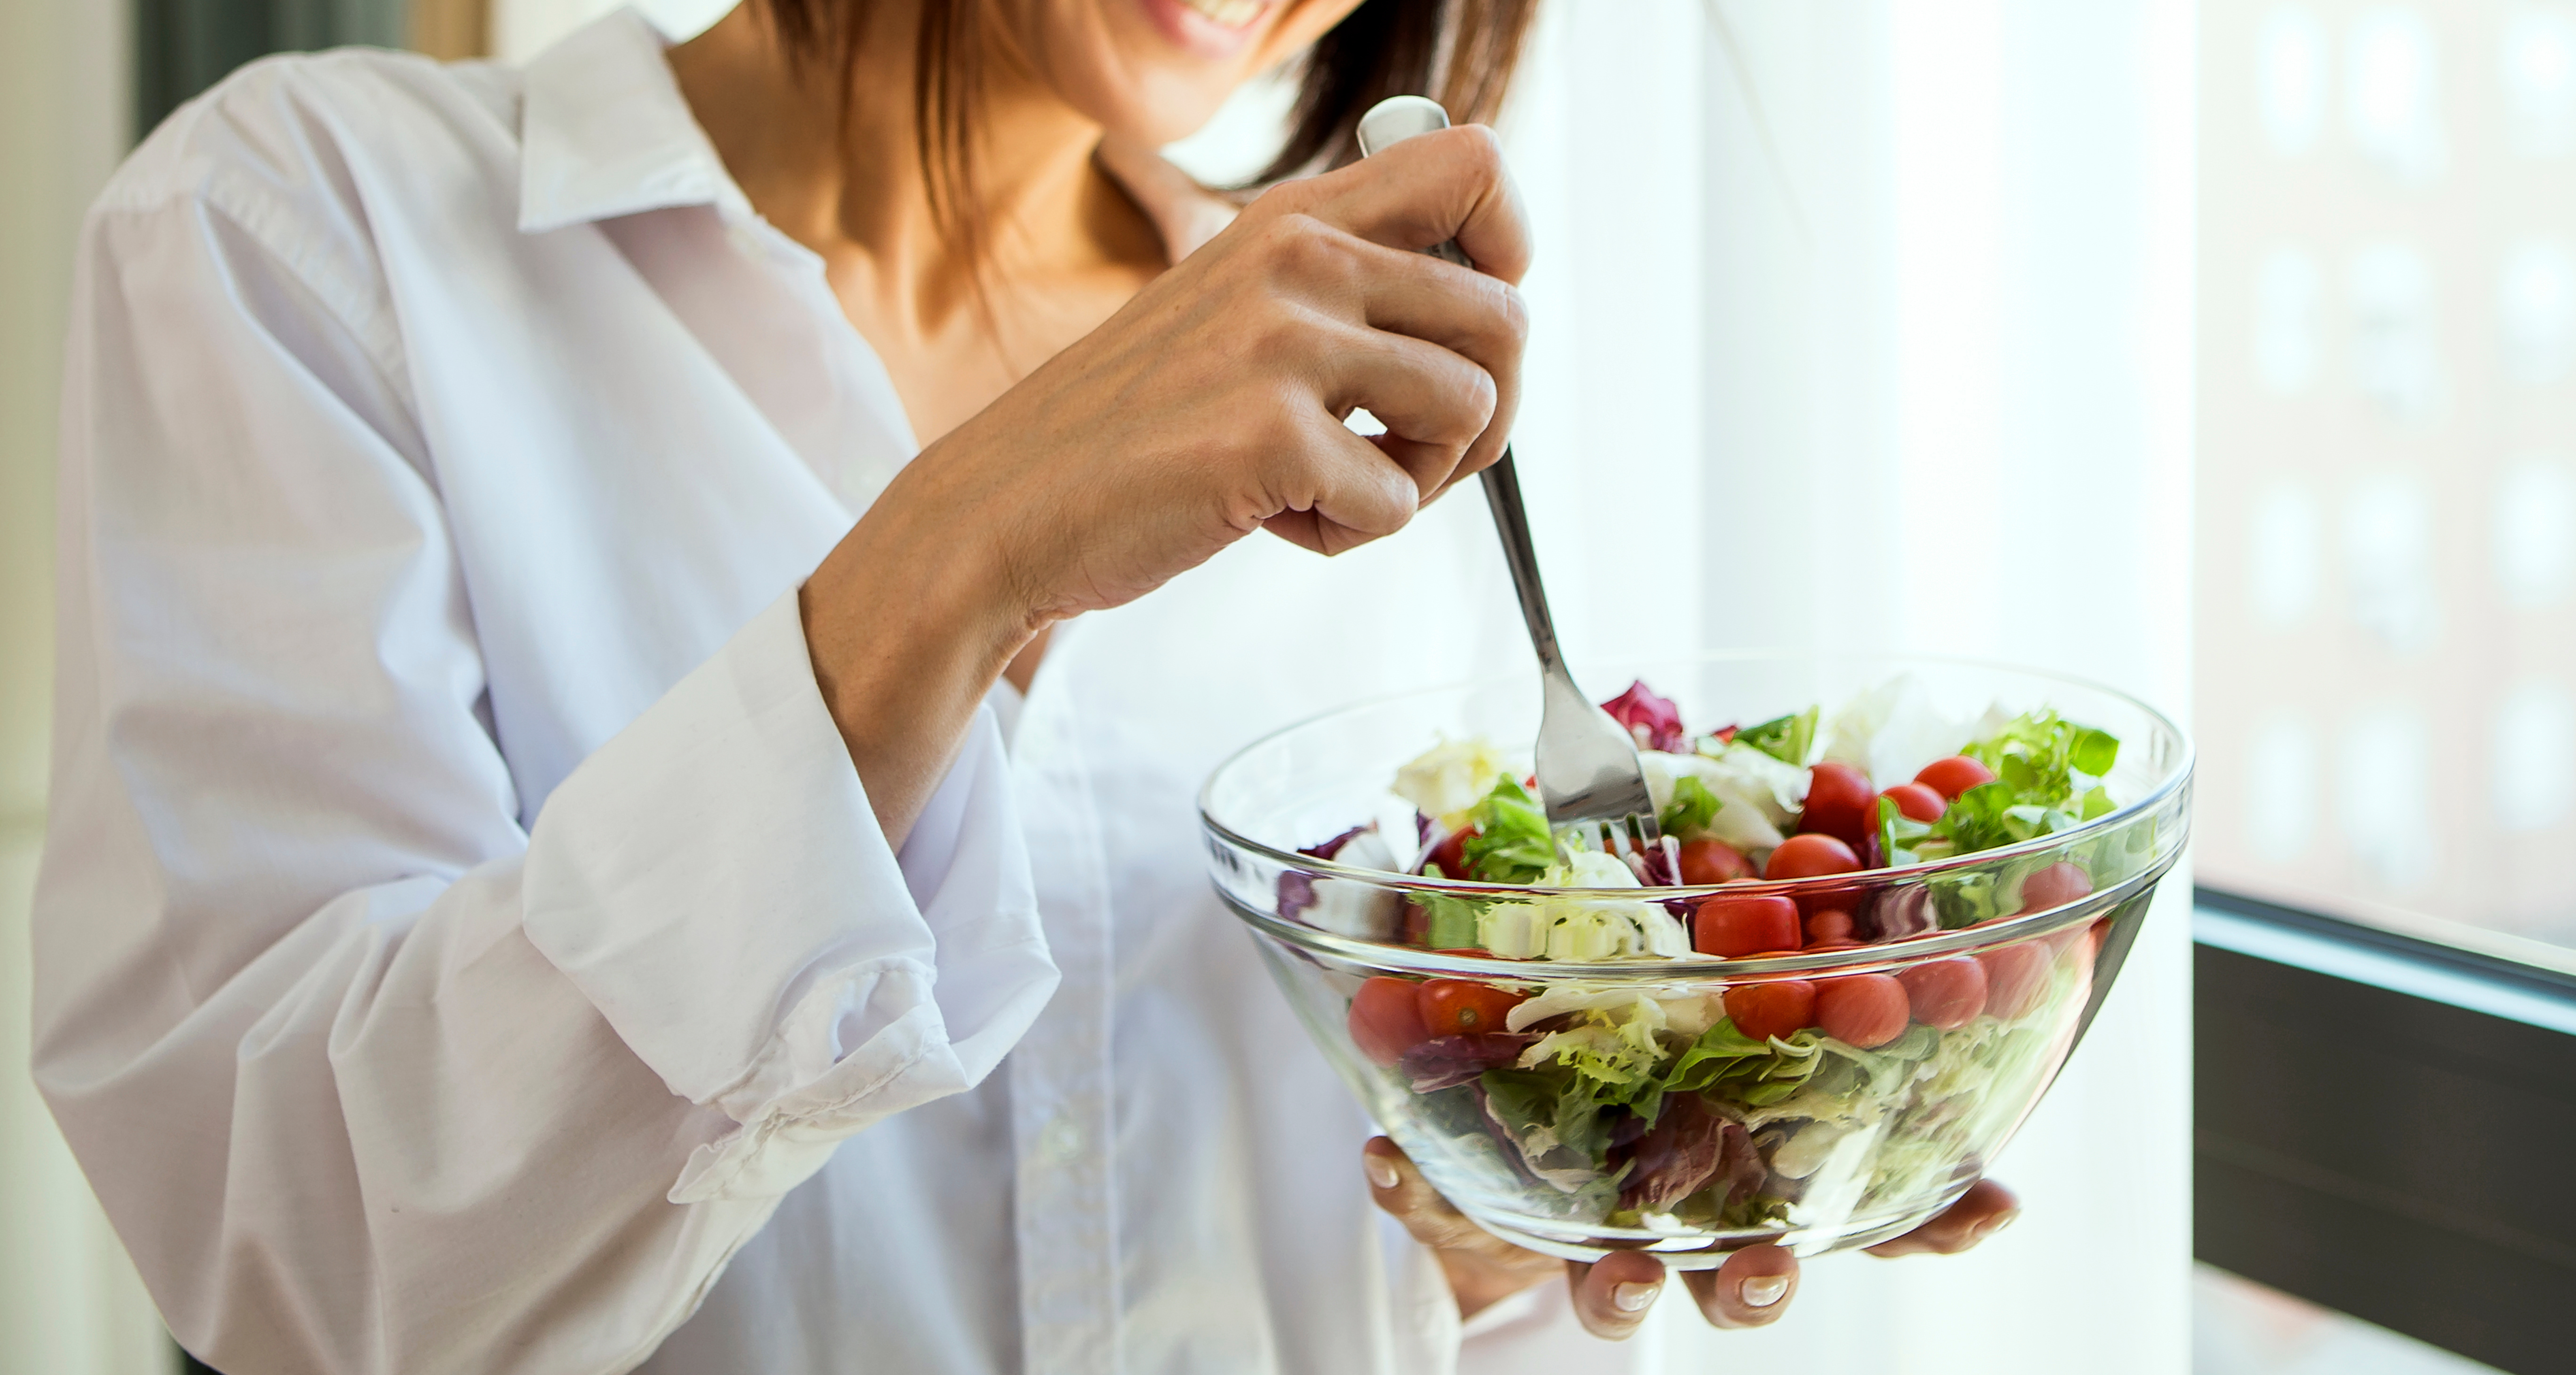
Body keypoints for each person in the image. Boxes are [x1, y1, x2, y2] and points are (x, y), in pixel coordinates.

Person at [33, 0, 2016, 1370]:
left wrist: (1524, 1224)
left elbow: (1341, 1242)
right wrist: (957, 558)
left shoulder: (1357, 390)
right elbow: (297, 1250)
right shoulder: (311, 228)